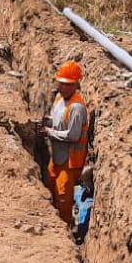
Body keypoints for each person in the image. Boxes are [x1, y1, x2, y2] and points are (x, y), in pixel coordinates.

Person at [41, 61, 90, 224]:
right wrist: (46, 122)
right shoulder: (58, 98)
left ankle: (64, 227)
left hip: (69, 162)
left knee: (63, 198)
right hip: (56, 157)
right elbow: (57, 119)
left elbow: (73, 135)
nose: (62, 87)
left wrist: (49, 132)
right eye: (60, 83)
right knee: (48, 187)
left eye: (66, 84)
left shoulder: (76, 107)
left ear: (75, 84)